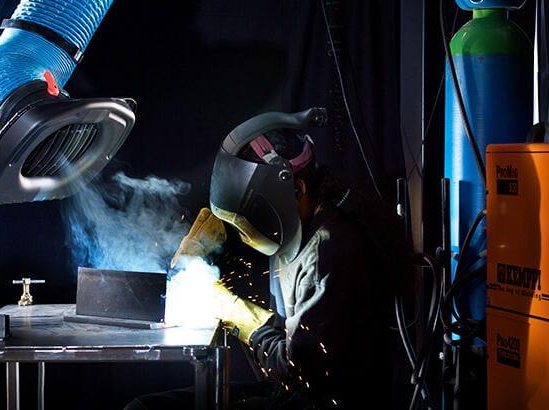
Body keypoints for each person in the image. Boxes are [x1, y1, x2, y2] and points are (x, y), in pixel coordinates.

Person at [126, 109, 407, 409]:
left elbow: (301, 371)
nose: (245, 233)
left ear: (296, 189)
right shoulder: (297, 227)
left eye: (248, 220)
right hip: (291, 395)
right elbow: (294, 337)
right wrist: (205, 241)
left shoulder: (329, 250)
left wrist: (241, 317)